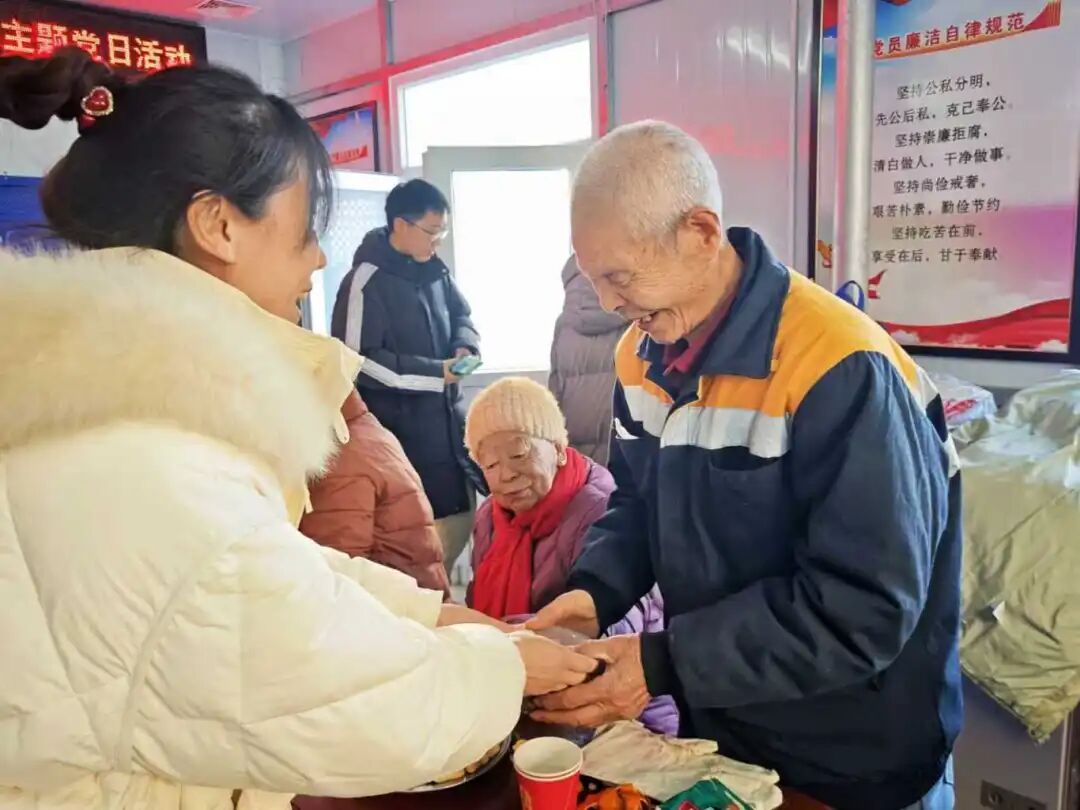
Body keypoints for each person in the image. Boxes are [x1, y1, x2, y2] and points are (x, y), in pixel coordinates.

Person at [0, 49, 596, 809]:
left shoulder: (102, 407)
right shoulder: (146, 460)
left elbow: (261, 575)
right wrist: (503, 667)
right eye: (304, 226)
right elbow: (353, 703)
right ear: (218, 224)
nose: (316, 258)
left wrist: (432, 614)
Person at [528, 122, 963, 810]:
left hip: (852, 755)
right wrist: (592, 598)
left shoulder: (839, 366)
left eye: (620, 277)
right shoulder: (638, 356)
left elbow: (865, 608)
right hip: (724, 727)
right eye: (593, 279)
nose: (609, 304)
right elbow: (638, 505)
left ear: (701, 232)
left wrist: (661, 662)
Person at [464, 377, 678, 736]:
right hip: (524, 695)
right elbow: (476, 602)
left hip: (617, 711)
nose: (506, 475)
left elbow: (615, 637)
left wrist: (495, 641)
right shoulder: (490, 517)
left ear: (559, 449)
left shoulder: (601, 508)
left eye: (519, 454)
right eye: (490, 465)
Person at [332, 180, 482, 576]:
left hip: (448, 438)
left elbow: (463, 316)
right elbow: (358, 361)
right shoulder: (365, 281)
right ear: (401, 225)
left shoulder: (436, 272)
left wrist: (464, 347)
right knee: (413, 565)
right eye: (432, 232)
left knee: (452, 541)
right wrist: (435, 374)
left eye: (442, 232)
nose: (438, 242)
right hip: (401, 442)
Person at [301, 389, 451, 596]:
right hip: (416, 600)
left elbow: (335, 583)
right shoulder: (367, 430)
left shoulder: (338, 455)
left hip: (397, 608)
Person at [549, 254, 628, 466]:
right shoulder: (642, 319)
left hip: (575, 456)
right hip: (623, 449)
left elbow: (555, 389)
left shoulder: (565, 323)